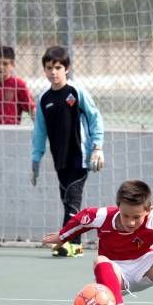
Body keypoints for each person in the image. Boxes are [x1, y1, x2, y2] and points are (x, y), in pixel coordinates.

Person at [31, 45, 104, 258]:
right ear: (44, 70)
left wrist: (97, 148)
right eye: (48, 68)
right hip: (59, 159)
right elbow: (39, 132)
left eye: (58, 67)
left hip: (80, 158)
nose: (53, 72)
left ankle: (67, 242)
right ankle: (77, 243)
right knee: (68, 201)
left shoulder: (76, 92)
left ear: (67, 68)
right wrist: (35, 160)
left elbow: (95, 118)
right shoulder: (44, 99)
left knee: (72, 199)